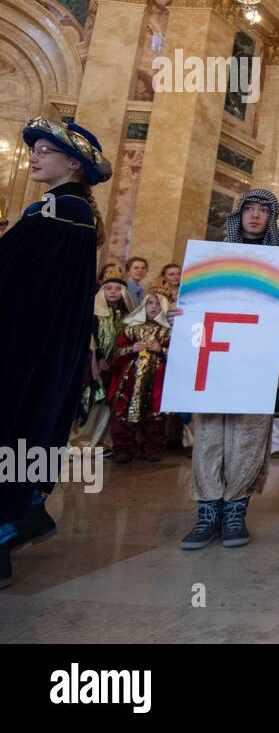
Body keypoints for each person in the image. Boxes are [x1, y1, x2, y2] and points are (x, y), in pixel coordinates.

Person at [0, 117, 111, 590]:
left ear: (74, 163)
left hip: (23, 342)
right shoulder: (70, 212)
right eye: (35, 149)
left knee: (15, 424)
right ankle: (27, 512)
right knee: (33, 425)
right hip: (46, 343)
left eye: (46, 150)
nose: (36, 156)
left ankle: (7, 531)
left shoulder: (57, 212)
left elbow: (11, 273)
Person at [172, 189, 279, 550]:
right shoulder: (213, 257)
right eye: (248, 209)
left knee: (248, 438)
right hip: (213, 363)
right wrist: (179, 314)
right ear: (238, 216)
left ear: (271, 218)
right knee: (209, 438)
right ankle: (207, 511)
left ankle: (236, 509)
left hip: (258, 363)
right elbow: (196, 306)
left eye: (262, 211)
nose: (254, 216)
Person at [72, 275, 135, 451]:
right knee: (92, 401)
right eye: (109, 288)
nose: (113, 292)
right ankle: (81, 441)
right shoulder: (93, 314)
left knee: (111, 403)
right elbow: (90, 338)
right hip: (95, 365)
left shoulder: (127, 317)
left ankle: (101, 441)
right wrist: (98, 359)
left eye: (117, 288)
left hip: (119, 366)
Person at [108, 291, 171, 463]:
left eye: (157, 304)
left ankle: (152, 447)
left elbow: (179, 357)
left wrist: (161, 350)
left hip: (157, 379)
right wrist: (132, 348)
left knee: (154, 413)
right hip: (131, 378)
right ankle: (123, 448)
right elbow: (116, 353)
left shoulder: (169, 331)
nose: (153, 307)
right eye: (150, 303)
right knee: (124, 411)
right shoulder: (131, 328)